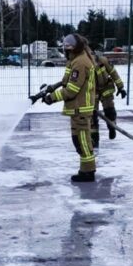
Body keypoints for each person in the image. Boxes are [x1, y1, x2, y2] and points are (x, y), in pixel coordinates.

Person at [42, 34, 97, 182]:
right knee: (78, 140)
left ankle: (88, 172)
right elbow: (67, 81)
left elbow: (72, 89)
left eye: (67, 48)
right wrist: (52, 88)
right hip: (76, 108)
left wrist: (51, 98)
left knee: (83, 141)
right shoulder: (76, 59)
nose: (65, 51)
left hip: (80, 108)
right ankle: (86, 170)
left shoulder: (80, 62)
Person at [90, 54, 127, 147]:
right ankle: (94, 139)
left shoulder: (103, 60)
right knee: (92, 117)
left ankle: (112, 128)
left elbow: (113, 73)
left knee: (109, 110)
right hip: (92, 92)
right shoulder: (83, 63)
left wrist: (121, 87)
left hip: (106, 88)